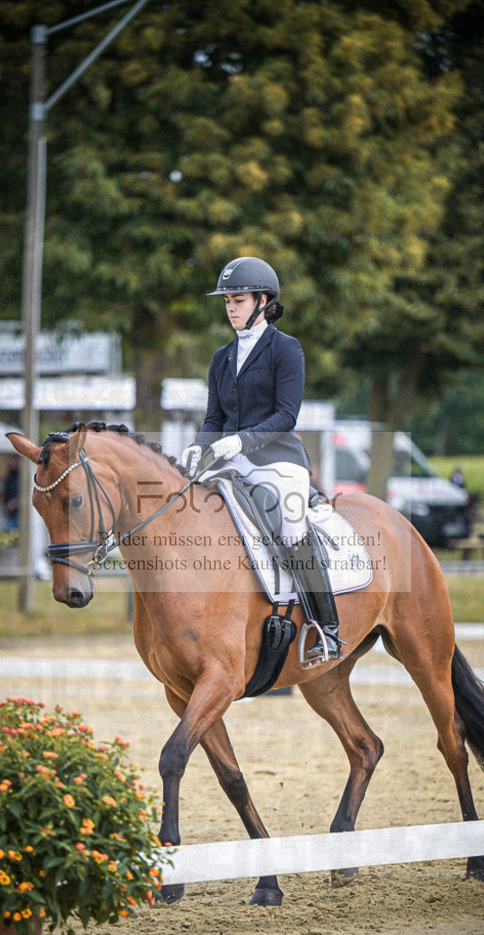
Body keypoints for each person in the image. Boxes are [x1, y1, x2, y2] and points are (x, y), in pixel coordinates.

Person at [181, 256, 342, 663]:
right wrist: (198, 447)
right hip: (230, 463)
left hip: (277, 461)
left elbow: (286, 415)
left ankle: (326, 630)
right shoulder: (221, 357)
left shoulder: (286, 349)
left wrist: (241, 442)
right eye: (227, 301)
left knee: (290, 527)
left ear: (263, 301)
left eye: (238, 299)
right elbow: (214, 419)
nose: (230, 307)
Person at [2, 453, 20, 532]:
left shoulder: (21, 476)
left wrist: (13, 504)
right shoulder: (9, 476)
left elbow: (24, 493)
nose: (9, 462)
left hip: (18, 512)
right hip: (10, 512)